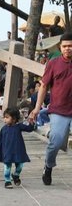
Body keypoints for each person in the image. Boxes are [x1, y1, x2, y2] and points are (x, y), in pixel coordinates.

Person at [29, 31, 72, 185]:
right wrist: (36, 108)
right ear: (60, 47)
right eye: (65, 46)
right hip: (59, 110)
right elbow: (44, 86)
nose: (68, 49)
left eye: (71, 46)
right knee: (56, 141)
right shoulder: (53, 63)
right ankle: (48, 165)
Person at [0, 107, 34, 188]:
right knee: (7, 166)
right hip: (7, 151)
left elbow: (29, 129)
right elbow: (0, 138)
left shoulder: (19, 127)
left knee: (20, 165)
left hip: (18, 150)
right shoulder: (4, 129)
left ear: (14, 119)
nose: (4, 119)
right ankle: (7, 180)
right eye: (4, 117)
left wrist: (31, 123)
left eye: (7, 117)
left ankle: (16, 175)